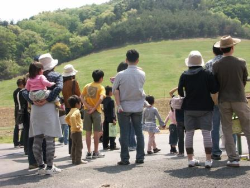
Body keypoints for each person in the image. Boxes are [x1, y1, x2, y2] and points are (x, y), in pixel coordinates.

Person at [22, 53, 63, 175]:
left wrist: (33, 101)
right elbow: (58, 88)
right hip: (49, 109)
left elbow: (24, 91)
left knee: (37, 138)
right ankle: (50, 167)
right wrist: (48, 99)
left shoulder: (31, 77)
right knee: (50, 138)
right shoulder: (56, 75)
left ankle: (40, 167)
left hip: (35, 109)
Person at [213, 35, 250, 167]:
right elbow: (244, 79)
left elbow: (215, 83)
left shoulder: (216, 65)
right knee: (247, 126)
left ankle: (233, 158)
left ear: (221, 49)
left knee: (227, 129)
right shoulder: (241, 62)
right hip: (239, 98)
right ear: (232, 48)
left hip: (224, 99)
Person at [178, 50, 219, 168]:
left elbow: (180, 92)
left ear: (189, 63)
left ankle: (190, 159)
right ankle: (208, 160)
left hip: (189, 108)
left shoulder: (184, 75)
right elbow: (214, 89)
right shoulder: (207, 74)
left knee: (189, 134)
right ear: (201, 62)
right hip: (205, 107)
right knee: (206, 133)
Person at [112, 49, 145, 165]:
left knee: (124, 133)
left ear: (126, 60)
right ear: (138, 60)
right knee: (139, 132)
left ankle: (125, 158)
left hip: (124, 107)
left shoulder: (120, 75)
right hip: (138, 106)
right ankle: (140, 157)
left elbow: (114, 89)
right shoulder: (142, 74)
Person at [81, 70, 106, 159]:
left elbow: (81, 96)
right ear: (101, 78)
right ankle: (96, 152)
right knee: (96, 132)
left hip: (86, 111)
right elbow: (101, 98)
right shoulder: (101, 87)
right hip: (96, 111)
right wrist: (94, 108)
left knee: (88, 132)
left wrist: (87, 105)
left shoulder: (87, 86)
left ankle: (88, 152)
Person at [205, 44, 223, 160]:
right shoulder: (228, 61)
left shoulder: (208, 63)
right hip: (228, 95)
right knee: (229, 125)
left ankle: (216, 151)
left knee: (214, 126)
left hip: (214, 97)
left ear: (213, 51)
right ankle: (233, 149)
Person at [114, 61, 137, 151]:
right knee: (131, 126)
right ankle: (131, 144)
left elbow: (116, 92)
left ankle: (124, 142)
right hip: (129, 104)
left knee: (124, 127)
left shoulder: (118, 78)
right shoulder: (128, 79)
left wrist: (118, 105)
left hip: (120, 105)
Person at [62, 64, 81, 155]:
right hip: (74, 107)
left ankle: (71, 150)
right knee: (76, 129)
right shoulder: (74, 82)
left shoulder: (63, 84)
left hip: (67, 107)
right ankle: (75, 151)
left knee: (71, 129)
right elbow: (79, 95)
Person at [65, 95, 88, 165]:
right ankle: (78, 160)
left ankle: (73, 159)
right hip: (77, 131)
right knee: (79, 146)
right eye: (80, 103)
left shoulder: (71, 110)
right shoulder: (77, 111)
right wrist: (76, 126)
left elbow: (66, 118)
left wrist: (71, 125)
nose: (81, 104)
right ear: (77, 104)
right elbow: (72, 117)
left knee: (74, 146)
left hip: (72, 131)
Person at [169, 87, 185, 157]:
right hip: (187, 119)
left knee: (180, 137)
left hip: (179, 120)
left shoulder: (176, 100)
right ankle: (190, 151)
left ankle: (181, 152)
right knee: (189, 136)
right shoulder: (186, 99)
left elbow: (170, 93)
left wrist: (178, 87)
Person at [102, 86, 119, 150]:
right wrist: (114, 118)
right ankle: (112, 145)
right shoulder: (111, 100)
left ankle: (105, 145)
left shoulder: (104, 100)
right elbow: (113, 110)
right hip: (111, 118)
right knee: (112, 132)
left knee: (105, 132)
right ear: (109, 92)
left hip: (105, 118)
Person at [13, 79, 25, 148]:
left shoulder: (16, 91)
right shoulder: (19, 92)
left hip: (17, 109)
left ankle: (16, 142)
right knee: (20, 125)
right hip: (19, 110)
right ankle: (20, 142)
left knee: (17, 125)